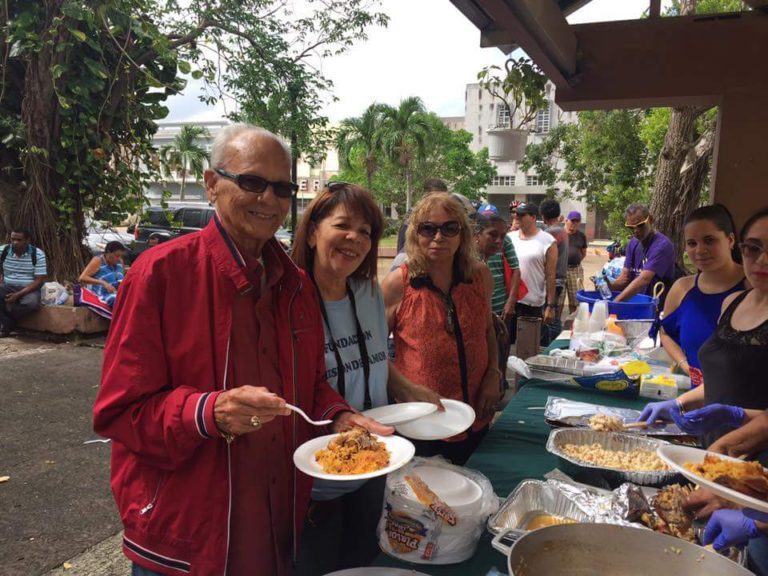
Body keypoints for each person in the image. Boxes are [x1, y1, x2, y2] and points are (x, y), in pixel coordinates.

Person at [93, 125, 388, 576]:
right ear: (212, 184)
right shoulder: (160, 274)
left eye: (282, 188)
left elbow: (309, 386)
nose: (268, 199)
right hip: (189, 541)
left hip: (276, 528)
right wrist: (209, 412)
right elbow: (119, 412)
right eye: (251, 182)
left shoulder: (296, 286)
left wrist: (339, 417)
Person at [291, 182, 426, 575]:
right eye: (343, 225)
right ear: (313, 231)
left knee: (363, 562)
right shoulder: (286, 301)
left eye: (366, 231)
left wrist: (410, 390)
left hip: (374, 467)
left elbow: (375, 359)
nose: (355, 238)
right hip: (311, 485)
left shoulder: (368, 292)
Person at [382, 192, 500, 465]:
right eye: (428, 228)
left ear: (463, 234)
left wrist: (494, 371)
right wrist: (403, 388)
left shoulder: (479, 277)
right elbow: (373, 351)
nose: (438, 237)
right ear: (415, 233)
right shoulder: (397, 284)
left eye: (449, 228)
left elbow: (487, 330)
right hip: (422, 424)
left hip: (476, 415)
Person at [638, 207, 768, 444]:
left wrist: (737, 415)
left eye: (709, 240)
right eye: (753, 248)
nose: (762, 259)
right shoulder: (733, 303)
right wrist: (680, 402)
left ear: (729, 241)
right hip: (716, 447)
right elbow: (723, 380)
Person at [657, 205, 746, 387]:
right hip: (695, 402)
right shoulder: (681, 288)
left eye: (709, 240)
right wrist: (684, 365)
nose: (700, 250)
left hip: (746, 408)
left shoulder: (753, 287)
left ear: (730, 240)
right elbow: (665, 333)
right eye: (692, 243)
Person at [605, 203, 677, 304]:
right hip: (637, 304)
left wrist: (614, 303)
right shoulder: (632, 243)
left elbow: (644, 279)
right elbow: (625, 278)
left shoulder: (662, 245)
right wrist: (608, 285)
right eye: (631, 227)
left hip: (656, 306)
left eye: (640, 225)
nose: (636, 231)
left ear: (650, 220)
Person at [508, 202, 557, 343]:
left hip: (532, 304)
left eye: (522, 215)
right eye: (516, 214)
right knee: (506, 346)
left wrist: (550, 306)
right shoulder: (510, 238)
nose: (517, 217)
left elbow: (550, 275)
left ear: (533, 217)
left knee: (529, 348)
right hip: (511, 301)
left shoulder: (547, 241)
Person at [0, 228, 47, 337]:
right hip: (8, 285)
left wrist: (18, 295)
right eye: (13, 239)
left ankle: (7, 322)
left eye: (19, 240)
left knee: (31, 303)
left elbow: (39, 280)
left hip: (29, 287)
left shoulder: (37, 254)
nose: (15, 242)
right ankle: (7, 323)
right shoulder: (4, 251)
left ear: (27, 240)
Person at [540, 199, 569, 345]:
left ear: (543, 216)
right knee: (554, 314)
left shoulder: (550, 233)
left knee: (550, 316)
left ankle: (551, 346)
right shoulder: (562, 230)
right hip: (560, 278)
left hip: (553, 279)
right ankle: (555, 345)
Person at [395, 178, 448, 254]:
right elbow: (402, 252)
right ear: (424, 197)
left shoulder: (449, 217)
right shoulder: (411, 218)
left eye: (442, 199)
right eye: (435, 198)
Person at [77, 241, 126, 314]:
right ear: (108, 252)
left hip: (116, 292)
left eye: (120, 256)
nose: (119, 258)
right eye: (117, 255)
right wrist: (103, 283)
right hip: (101, 294)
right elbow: (82, 278)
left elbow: (122, 278)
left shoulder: (119, 262)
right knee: (117, 301)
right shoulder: (98, 260)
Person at [565, 211, 588, 314]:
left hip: (575, 270)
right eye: (572, 221)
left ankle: (573, 324)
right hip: (561, 270)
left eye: (576, 221)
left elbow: (583, 253)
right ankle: (555, 326)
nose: (574, 224)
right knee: (558, 301)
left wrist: (575, 260)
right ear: (566, 221)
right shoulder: (561, 234)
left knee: (575, 301)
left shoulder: (581, 236)